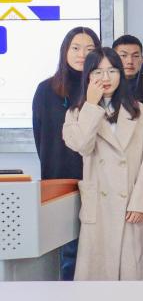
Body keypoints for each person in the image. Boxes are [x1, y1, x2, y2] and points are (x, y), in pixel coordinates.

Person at [62, 48, 143, 281]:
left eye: (112, 70)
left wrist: (141, 202)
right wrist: (91, 105)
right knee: (98, 280)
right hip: (100, 206)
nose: (105, 78)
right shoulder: (75, 113)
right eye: (98, 72)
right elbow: (82, 145)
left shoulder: (140, 111)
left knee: (134, 278)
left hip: (132, 205)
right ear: (88, 76)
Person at [32, 26, 99, 280]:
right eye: (76, 48)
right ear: (65, 51)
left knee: (95, 249)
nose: (82, 54)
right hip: (60, 182)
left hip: (95, 181)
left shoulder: (101, 89)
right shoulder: (46, 89)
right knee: (68, 252)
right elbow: (40, 137)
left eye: (89, 49)